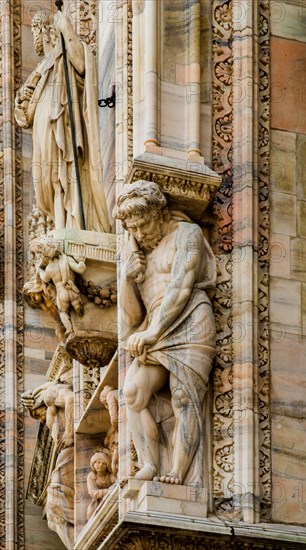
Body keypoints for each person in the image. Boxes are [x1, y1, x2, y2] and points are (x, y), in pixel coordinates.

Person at [115, 181, 216, 486]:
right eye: (133, 229)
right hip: (154, 326)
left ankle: (178, 473)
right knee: (132, 392)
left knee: (183, 397)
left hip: (190, 320)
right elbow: (133, 316)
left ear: (159, 212)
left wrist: (153, 332)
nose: (140, 234)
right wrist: (126, 279)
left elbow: (182, 285)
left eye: (144, 224)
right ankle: (149, 463)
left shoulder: (187, 233)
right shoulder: (137, 252)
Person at [14, 9, 110, 232]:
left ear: (50, 30)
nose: (38, 36)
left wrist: (67, 28)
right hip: (42, 126)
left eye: (41, 29)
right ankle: (59, 224)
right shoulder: (41, 68)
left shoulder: (65, 52)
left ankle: (68, 223)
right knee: (46, 179)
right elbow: (22, 114)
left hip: (59, 124)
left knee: (61, 174)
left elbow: (82, 65)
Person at [37, 240, 86, 336]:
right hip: (72, 289)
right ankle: (82, 320)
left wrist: (39, 270)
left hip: (62, 293)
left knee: (62, 312)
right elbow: (80, 269)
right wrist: (81, 261)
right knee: (80, 312)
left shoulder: (49, 268)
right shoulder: (66, 259)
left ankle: (69, 329)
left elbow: (45, 279)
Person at [86, 451, 116, 519]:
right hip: (96, 503)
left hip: (110, 498)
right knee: (92, 516)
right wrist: (107, 491)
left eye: (104, 463)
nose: (101, 465)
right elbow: (92, 492)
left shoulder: (110, 476)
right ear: (94, 463)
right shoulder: (91, 476)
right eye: (98, 462)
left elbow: (118, 483)